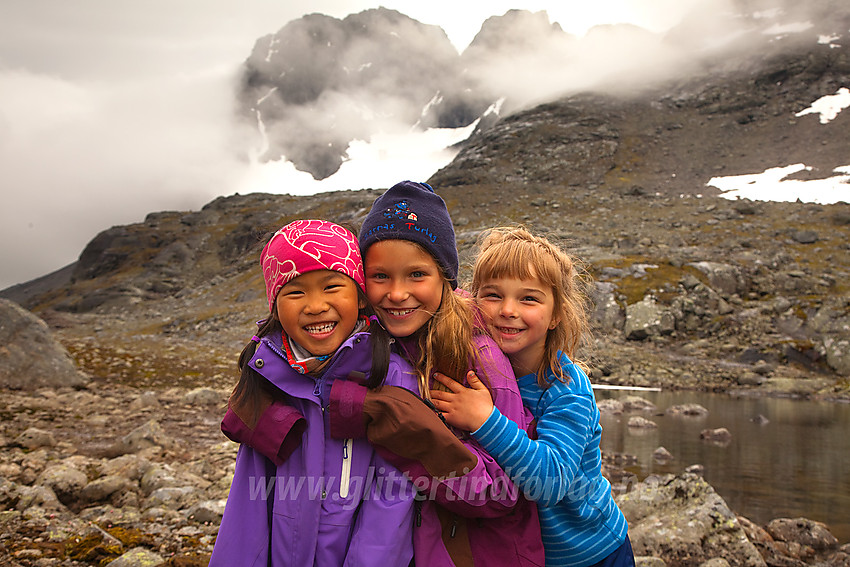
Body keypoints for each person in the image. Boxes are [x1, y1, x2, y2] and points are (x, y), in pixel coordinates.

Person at [327, 181, 545, 566]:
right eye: (380, 276)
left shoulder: (479, 356)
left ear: (445, 278)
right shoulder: (367, 347)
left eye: (416, 275)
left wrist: (413, 435)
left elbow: (502, 491)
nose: (396, 294)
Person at [209, 219, 426, 567]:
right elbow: (246, 503)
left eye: (331, 287)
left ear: (359, 295)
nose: (314, 305)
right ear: (275, 306)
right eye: (295, 292)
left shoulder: (389, 376)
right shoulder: (267, 381)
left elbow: (392, 498)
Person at [430, 226, 635, 567]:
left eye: (528, 298)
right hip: (526, 555)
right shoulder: (477, 370)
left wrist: (485, 420)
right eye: (493, 295)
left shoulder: (566, 386)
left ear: (556, 314)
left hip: (593, 553)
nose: (508, 310)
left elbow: (550, 483)